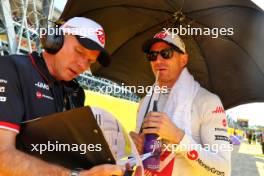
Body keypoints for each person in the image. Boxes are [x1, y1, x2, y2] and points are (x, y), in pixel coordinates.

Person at [0, 17, 125, 176]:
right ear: (55, 40)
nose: (82, 66)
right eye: (79, 52)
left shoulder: (76, 93)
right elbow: (2, 156)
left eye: (90, 61)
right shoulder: (10, 69)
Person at [130, 31, 231, 176]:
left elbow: (223, 170)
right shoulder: (146, 101)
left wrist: (178, 137)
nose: (157, 60)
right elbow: (138, 158)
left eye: (166, 53)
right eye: (152, 55)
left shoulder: (207, 102)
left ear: (183, 59)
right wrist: (134, 147)